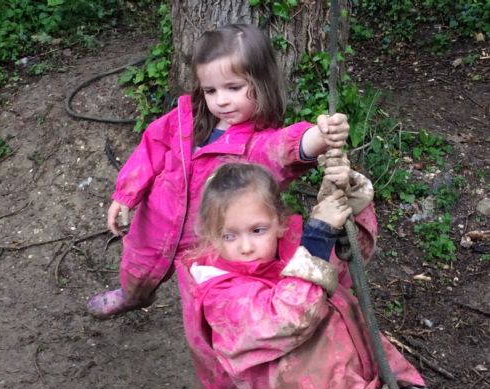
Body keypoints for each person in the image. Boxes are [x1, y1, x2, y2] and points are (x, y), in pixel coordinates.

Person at [176, 162, 490, 389]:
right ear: (210, 236)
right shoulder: (223, 299)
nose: (246, 246)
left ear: (279, 224)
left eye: (257, 230)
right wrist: (316, 238)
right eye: (229, 235)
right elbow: (289, 317)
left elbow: (348, 260)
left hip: (378, 387)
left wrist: (349, 207)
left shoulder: (292, 252)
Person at [86, 23, 349, 319]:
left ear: (261, 84)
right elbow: (151, 148)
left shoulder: (256, 145)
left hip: (204, 241)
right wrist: (125, 193)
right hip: (154, 222)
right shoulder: (184, 119)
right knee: (136, 265)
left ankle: (206, 329)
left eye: (233, 88)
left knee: (201, 290)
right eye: (211, 90)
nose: (221, 100)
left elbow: (288, 146)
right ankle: (133, 295)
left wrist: (321, 136)